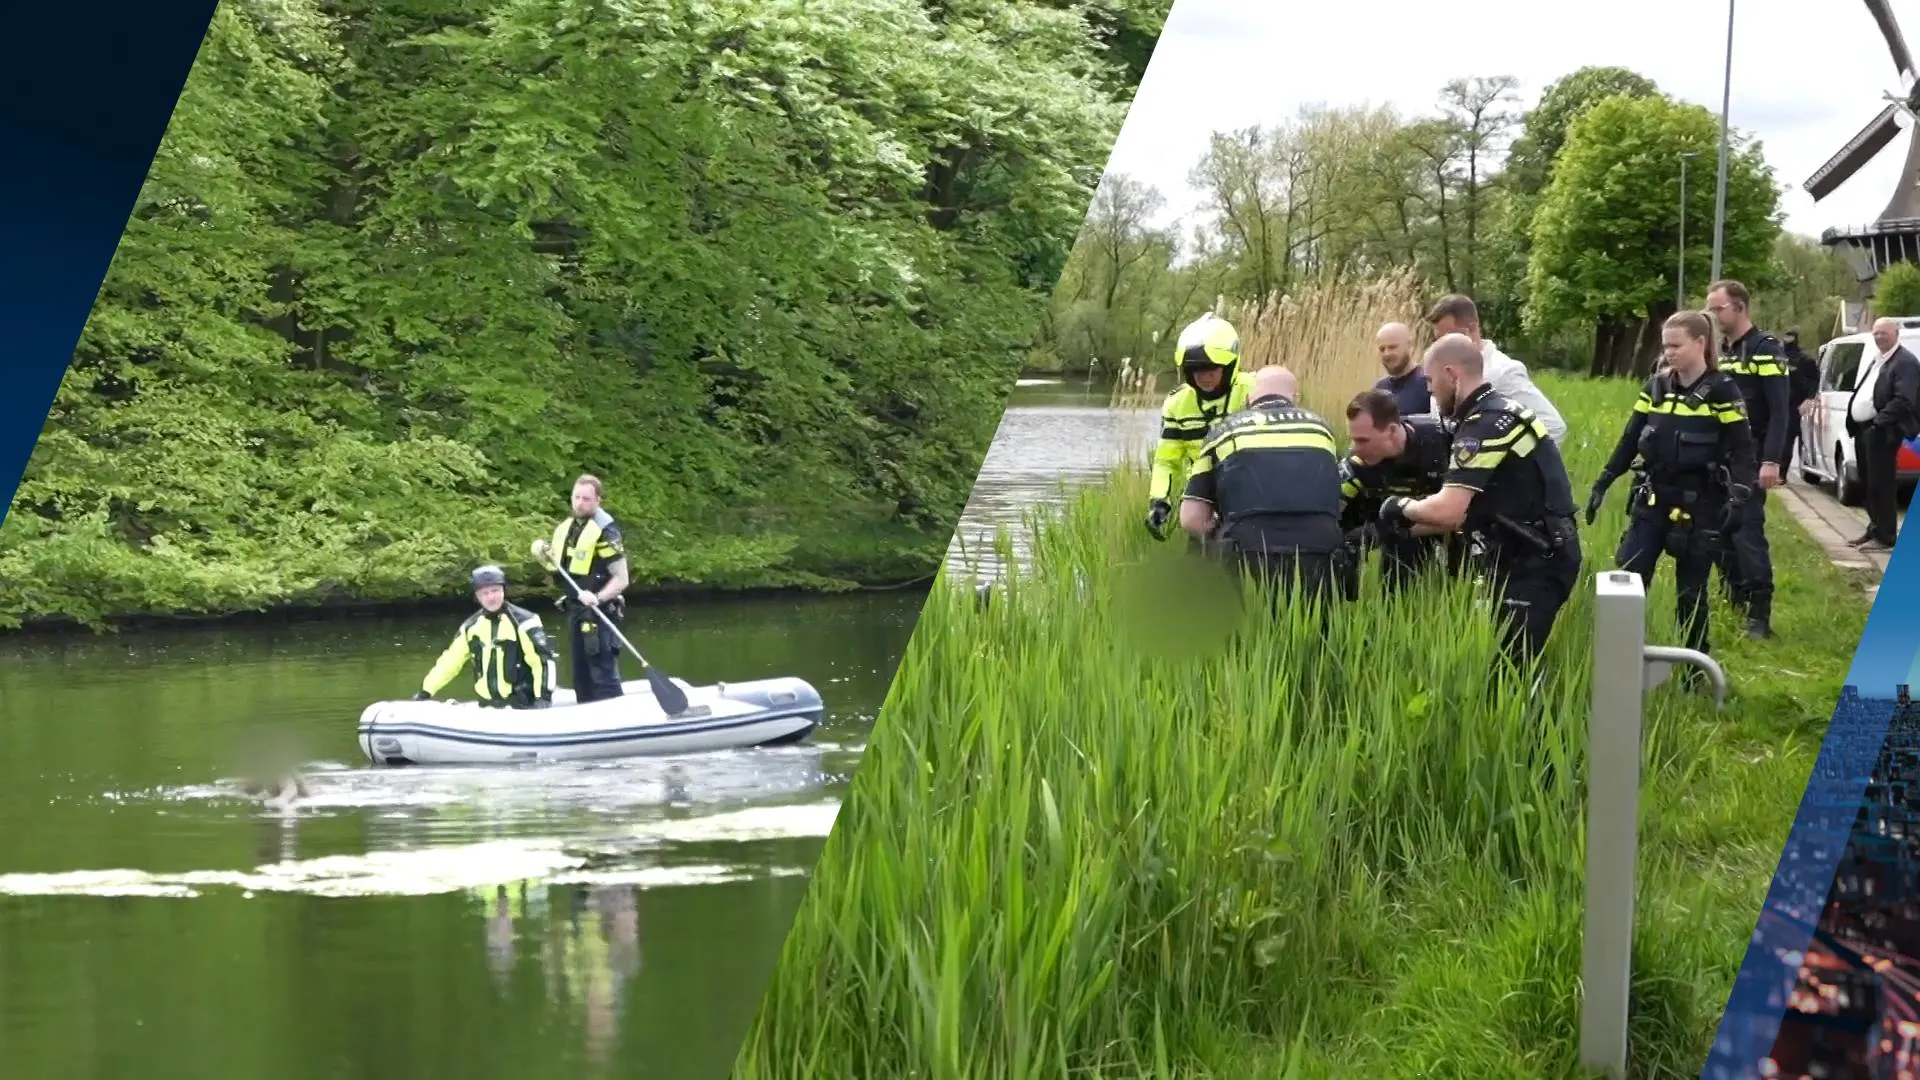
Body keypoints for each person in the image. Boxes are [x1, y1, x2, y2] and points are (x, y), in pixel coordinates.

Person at [1378, 333, 1583, 671]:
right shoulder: (1492, 413)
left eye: (1430, 381)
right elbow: (1466, 513)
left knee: (1510, 670)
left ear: (1451, 374)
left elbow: (1449, 509)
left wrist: (1398, 508)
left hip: (1536, 560)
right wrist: (1402, 530)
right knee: (1501, 664)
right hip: (1518, 553)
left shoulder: (1484, 425)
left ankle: (1528, 724)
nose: (1429, 390)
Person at [1586, 311, 1759, 661]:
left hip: (1701, 505)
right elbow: (1630, 438)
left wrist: (1740, 497)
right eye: (1665, 346)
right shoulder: (1655, 387)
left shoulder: (1722, 391)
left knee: (1691, 593)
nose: (1668, 353)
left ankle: (1695, 669)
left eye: (1676, 345)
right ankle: (1621, 662)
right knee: (1629, 579)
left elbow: (1743, 449)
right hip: (1652, 499)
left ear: (1700, 342)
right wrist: (1604, 481)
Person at [1178, 365, 1349, 608]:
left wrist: (1222, 529)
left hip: (1247, 551)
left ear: (1249, 397)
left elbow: (1191, 519)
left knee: (1247, 638)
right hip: (1320, 551)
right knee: (1315, 637)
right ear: (1295, 397)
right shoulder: (1323, 431)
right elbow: (1339, 494)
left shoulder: (1223, 431)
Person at [1705, 279, 1790, 638]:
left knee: (1747, 532)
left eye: (1717, 308)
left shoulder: (1765, 349)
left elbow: (1780, 411)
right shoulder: (1722, 350)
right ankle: (1734, 597)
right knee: (1719, 531)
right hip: (1719, 456)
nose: (1712, 314)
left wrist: (1771, 460)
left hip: (1751, 455)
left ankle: (1759, 615)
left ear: (1739, 307)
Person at [1146, 312, 1256, 541]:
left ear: (1229, 366)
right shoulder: (1177, 403)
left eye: (1211, 369)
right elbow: (1166, 460)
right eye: (1197, 370)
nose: (1204, 377)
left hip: (1252, 491)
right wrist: (1159, 502)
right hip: (1202, 498)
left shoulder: (1253, 390)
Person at [1338, 388, 1460, 590]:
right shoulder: (1358, 462)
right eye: (1352, 438)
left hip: (1444, 528)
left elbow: (1466, 513)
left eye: (1363, 440)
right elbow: (1328, 507)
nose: (1353, 448)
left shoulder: (1442, 443)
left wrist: (1388, 529)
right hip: (1396, 537)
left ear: (1393, 431)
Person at [532, 473, 630, 703]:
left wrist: (598, 597)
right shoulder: (570, 528)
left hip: (600, 612)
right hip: (577, 610)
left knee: (602, 673)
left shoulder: (607, 531)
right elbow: (560, 569)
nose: (580, 503)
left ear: (598, 501)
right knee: (581, 674)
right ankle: (587, 719)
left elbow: (621, 578)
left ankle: (616, 721)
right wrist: (544, 556)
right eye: (576, 497)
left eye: (586, 498)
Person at [1424, 294, 1568, 444]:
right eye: (1438, 339)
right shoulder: (1441, 371)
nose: (1442, 344)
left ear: (1471, 329)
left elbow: (1553, 426)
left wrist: (1506, 460)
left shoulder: (1502, 371)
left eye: (1449, 336)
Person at [414, 564, 559, 709]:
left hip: (523, 705)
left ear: (503, 590)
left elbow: (543, 662)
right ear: (477, 596)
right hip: (487, 707)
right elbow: (450, 662)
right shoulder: (470, 627)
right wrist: (426, 691)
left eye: (495, 591)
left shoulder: (526, 622)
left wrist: (543, 698)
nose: (491, 597)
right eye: (485, 593)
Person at [1845, 316, 1920, 552]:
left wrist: (1879, 423)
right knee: (1868, 483)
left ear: (1896, 334)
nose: (1879, 337)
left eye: (1884, 333)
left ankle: (1886, 536)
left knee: (1881, 483)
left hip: (1883, 432)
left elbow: (1904, 400)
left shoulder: (1905, 362)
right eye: (1876, 333)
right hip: (1865, 429)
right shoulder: (1879, 359)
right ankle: (1874, 528)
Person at [1782, 328, 1820, 476]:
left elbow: (1814, 380)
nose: (1787, 340)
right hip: (1784, 404)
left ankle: (1807, 470)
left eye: (1790, 337)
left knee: (1803, 438)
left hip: (1801, 405)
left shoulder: (1805, 360)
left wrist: (1809, 399)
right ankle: (1782, 473)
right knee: (1785, 440)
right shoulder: (1777, 357)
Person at [1373, 322, 1432, 417]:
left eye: (1392, 347)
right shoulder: (1379, 389)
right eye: (1382, 349)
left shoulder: (1428, 383)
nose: (1386, 354)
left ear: (1410, 346)